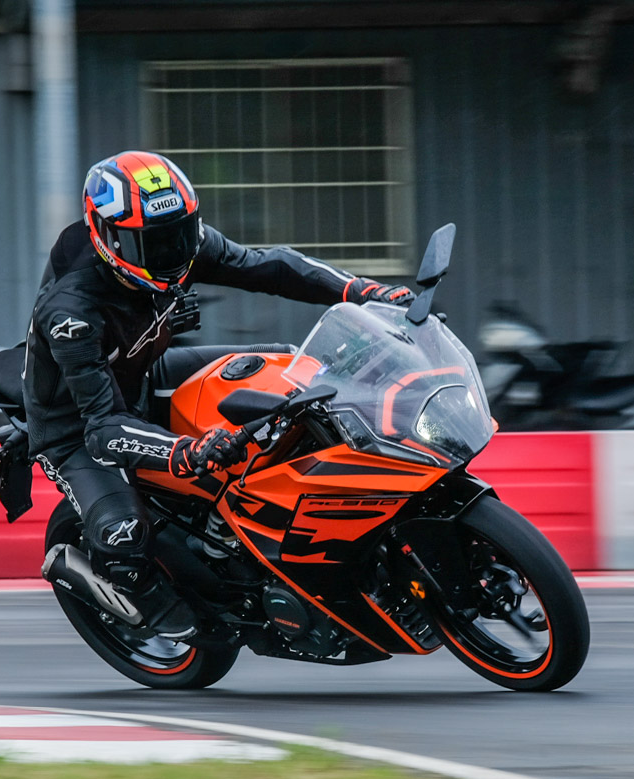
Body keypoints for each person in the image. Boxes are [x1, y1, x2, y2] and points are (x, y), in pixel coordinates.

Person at [25, 150, 412, 638]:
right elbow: (103, 428)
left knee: (290, 369)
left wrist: (362, 292)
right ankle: (142, 602)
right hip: (75, 425)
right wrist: (185, 451)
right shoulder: (71, 313)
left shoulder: (179, 244)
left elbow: (271, 267)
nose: (172, 253)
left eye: (180, 233)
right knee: (124, 536)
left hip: (143, 372)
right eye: (152, 244)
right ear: (108, 237)